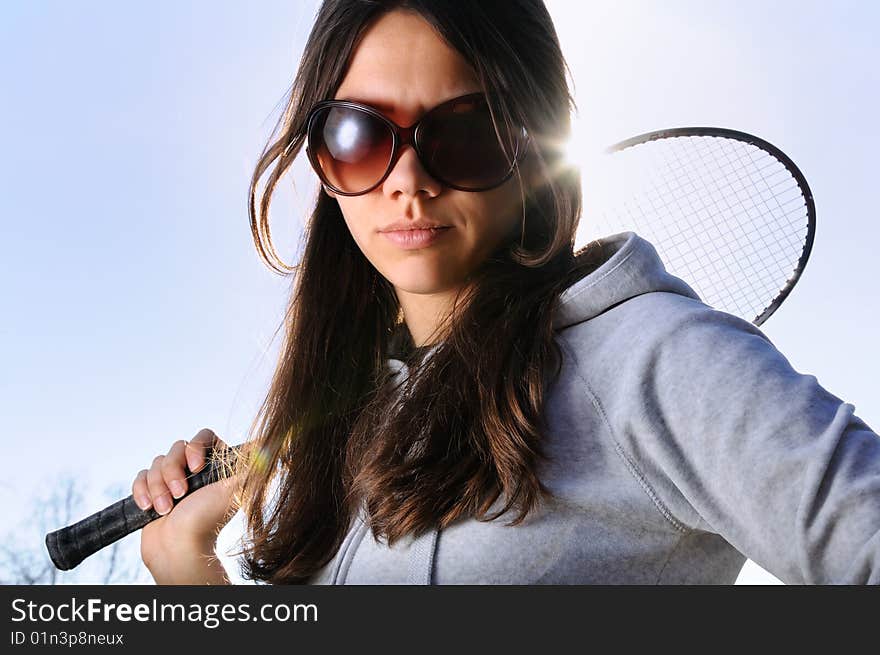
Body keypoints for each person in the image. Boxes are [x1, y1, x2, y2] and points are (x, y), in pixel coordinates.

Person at [131, 0, 880, 585]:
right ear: (322, 159)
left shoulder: (652, 361)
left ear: (532, 149)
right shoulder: (348, 427)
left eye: (465, 132)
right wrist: (191, 576)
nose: (407, 182)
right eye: (360, 136)